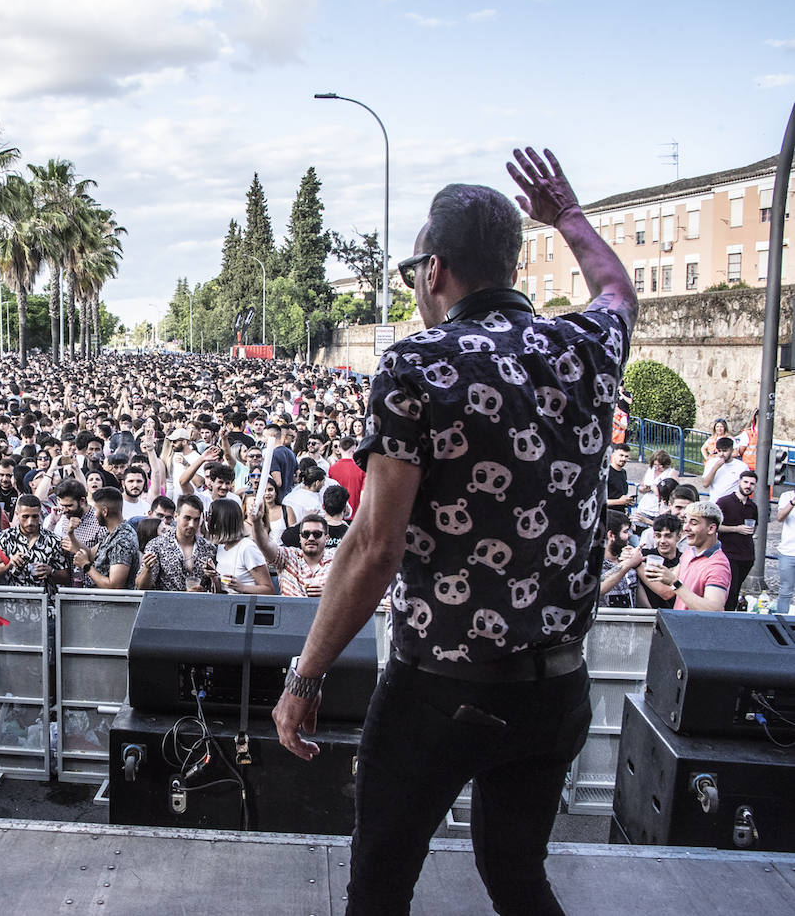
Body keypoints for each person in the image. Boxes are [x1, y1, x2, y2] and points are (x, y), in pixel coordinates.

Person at [273, 148, 638, 915]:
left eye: (413, 272)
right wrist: (567, 214)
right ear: (511, 264)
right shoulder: (584, 349)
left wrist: (305, 677)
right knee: (516, 870)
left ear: (434, 270)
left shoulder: (417, 365)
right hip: (558, 690)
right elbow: (617, 288)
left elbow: (375, 547)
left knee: (379, 881)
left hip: (439, 690)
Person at [641, 500, 730, 612]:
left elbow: (714, 610)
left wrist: (675, 583)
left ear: (711, 529)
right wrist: (635, 561)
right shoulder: (690, 552)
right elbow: (668, 590)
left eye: (693, 523)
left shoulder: (717, 565)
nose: (686, 528)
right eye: (686, 522)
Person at [0, 494, 71, 587]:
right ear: (17, 514)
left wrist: (51, 571)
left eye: (35, 517)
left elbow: (66, 578)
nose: (30, 522)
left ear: (40, 514)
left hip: (44, 599)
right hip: (14, 599)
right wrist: (9, 564)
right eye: (25, 517)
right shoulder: (6, 537)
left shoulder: (53, 540)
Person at [137, 494, 216, 592]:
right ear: (176, 516)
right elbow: (141, 587)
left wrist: (209, 583)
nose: (192, 524)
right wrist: (147, 569)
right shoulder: (157, 545)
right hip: (167, 605)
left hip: (199, 605)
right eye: (187, 518)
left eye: (196, 519)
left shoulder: (209, 548)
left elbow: (217, 590)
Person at [71, 487, 140, 589]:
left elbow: (115, 586)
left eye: (95, 509)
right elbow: (90, 554)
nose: (94, 514)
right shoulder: (111, 533)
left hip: (112, 604)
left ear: (104, 511)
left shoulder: (122, 541)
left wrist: (86, 566)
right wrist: (71, 534)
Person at [257, 511, 338, 598]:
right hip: (290, 610)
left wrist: (330, 593)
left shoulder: (337, 559)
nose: (311, 538)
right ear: (300, 538)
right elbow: (265, 546)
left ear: (326, 538)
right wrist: (256, 522)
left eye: (317, 534)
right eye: (306, 534)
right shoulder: (289, 556)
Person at [208, 498, 274, 595]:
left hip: (245, 607)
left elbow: (269, 590)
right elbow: (224, 590)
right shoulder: (221, 547)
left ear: (221, 521)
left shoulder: (247, 548)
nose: (207, 519)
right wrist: (214, 577)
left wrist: (242, 587)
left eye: (210, 515)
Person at [618, 513, 684, 609]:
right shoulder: (643, 555)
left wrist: (638, 565)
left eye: (668, 536)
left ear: (678, 536)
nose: (662, 541)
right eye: (658, 535)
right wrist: (626, 555)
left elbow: (668, 593)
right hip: (645, 615)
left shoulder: (684, 560)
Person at [714, 469, 758, 611]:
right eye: (745, 482)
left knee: (736, 589)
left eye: (752, 484)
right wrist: (736, 529)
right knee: (730, 592)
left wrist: (749, 530)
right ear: (739, 482)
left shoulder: (753, 506)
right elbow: (714, 526)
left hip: (747, 555)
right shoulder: (724, 502)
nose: (748, 486)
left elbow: (755, 526)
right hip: (728, 553)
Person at [596, 510, 638, 608]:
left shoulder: (630, 562)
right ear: (611, 535)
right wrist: (627, 564)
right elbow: (598, 587)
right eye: (625, 531)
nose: (630, 535)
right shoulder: (595, 563)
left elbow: (638, 599)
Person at [633, 449, 678, 532]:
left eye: (660, 465)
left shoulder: (671, 472)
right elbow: (641, 488)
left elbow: (671, 491)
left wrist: (656, 489)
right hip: (646, 507)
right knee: (639, 530)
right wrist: (647, 488)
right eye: (655, 465)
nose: (657, 467)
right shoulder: (650, 470)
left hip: (660, 509)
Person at [326, 436, 366, 515]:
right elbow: (363, 495)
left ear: (340, 449)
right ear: (354, 449)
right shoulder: (362, 469)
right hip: (356, 513)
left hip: (336, 514)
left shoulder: (332, 469)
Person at [699, 437, 746, 501]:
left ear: (732, 450)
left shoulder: (742, 466)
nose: (721, 454)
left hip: (733, 504)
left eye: (725, 451)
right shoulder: (711, 462)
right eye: (719, 451)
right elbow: (705, 484)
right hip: (715, 503)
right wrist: (715, 467)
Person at [776, 487, 795, 614]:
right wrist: (793, 502)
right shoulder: (786, 496)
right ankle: (781, 625)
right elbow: (780, 517)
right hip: (788, 551)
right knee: (785, 590)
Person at [605, 443, 633, 511]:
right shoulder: (606, 473)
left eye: (626, 456)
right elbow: (599, 501)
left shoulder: (623, 472)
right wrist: (620, 501)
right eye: (621, 455)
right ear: (613, 455)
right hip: (609, 514)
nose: (623, 459)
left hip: (621, 514)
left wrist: (627, 502)